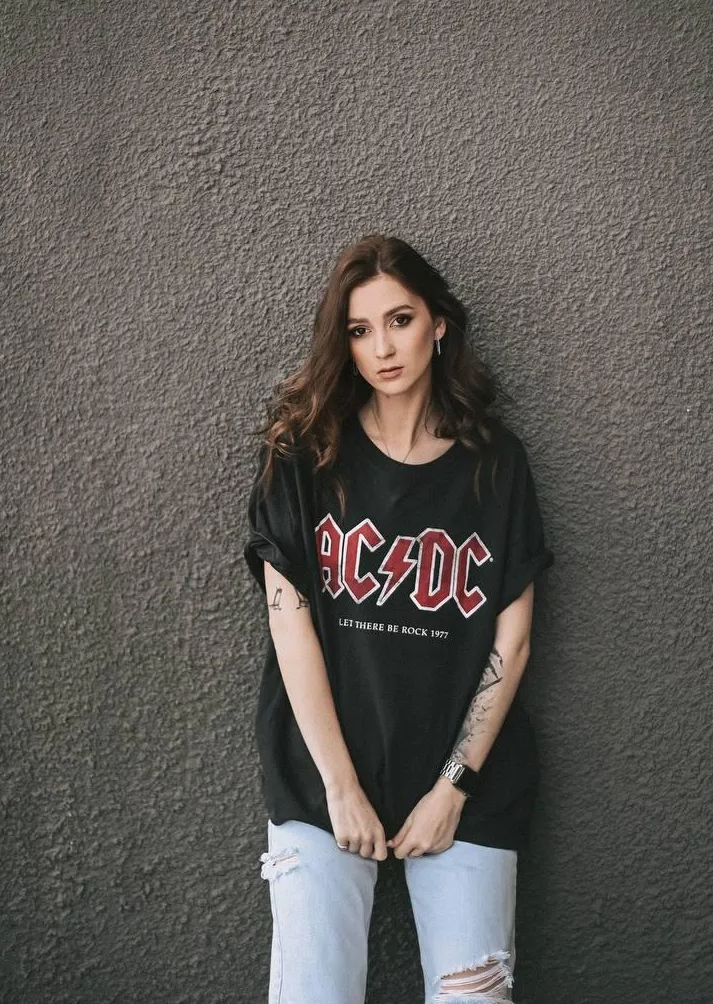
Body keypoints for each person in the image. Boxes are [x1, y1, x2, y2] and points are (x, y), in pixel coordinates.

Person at [244, 234, 554, 1004]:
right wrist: (340, 787)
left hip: (466, 785)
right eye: (359, 330)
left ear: (438, 324)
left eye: (401, 320)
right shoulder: (305, 456)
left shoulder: (495, 464)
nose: (382, 348)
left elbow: (511, 642)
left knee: (473, 997)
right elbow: (291, 625)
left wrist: (452, 787)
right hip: (322, 781)